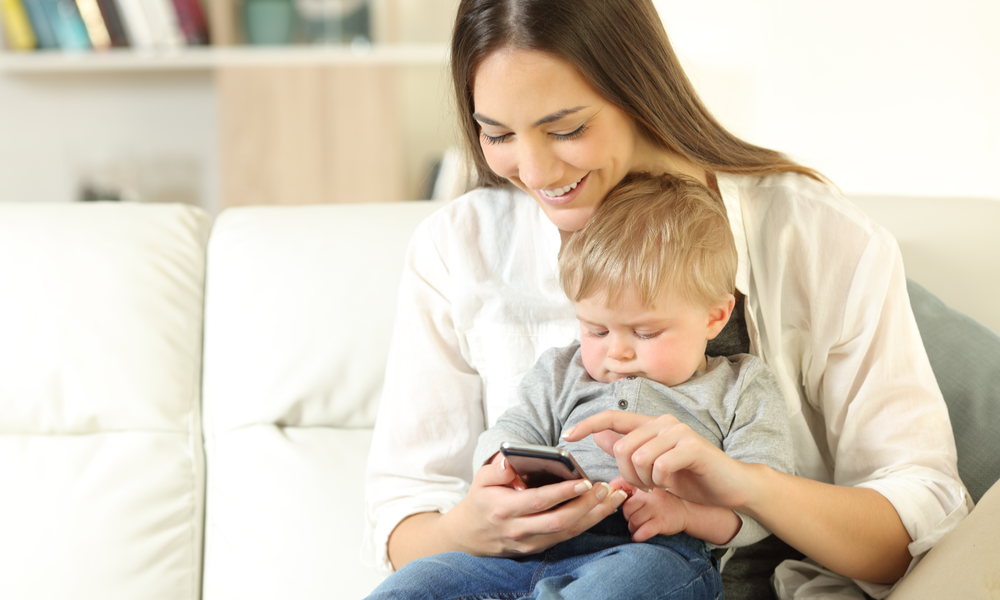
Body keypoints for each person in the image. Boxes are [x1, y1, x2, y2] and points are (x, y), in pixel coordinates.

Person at [363, 1, 972, 598]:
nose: (535, 170)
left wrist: (745, 487)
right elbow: (404, 513)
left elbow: (918, 516)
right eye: (496, 134)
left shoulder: (813, 236)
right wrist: (472, 527)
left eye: (567, 129)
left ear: (637, 91)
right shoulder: (457, 248)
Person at [365, 172, 795, 599]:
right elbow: (511, 432)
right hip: (525, 552)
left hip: (650, 553)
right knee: (420, 582)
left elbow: (758, 509)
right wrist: (506, 469)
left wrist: (682, 514)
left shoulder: (741, 387)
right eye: (596, 330)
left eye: (645, 333)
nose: (618, 352)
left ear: (714, 317)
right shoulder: (560, 371)